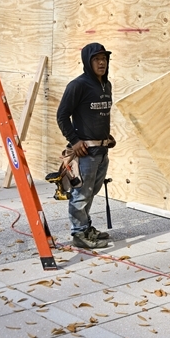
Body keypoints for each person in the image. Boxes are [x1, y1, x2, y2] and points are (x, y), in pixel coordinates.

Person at [56, 43, 116, 249]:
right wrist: (74, 140)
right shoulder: (78, 85)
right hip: (85, 153)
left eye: (104, 59)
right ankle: (79, 233)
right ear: (87, 62)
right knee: (81, 193)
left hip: (102, 150)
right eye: (97, 59)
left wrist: (106, 136)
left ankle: (85, 226)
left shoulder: (106, 85)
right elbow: (62, 116)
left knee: (91, 191)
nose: (102, 63)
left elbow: (96, 115)